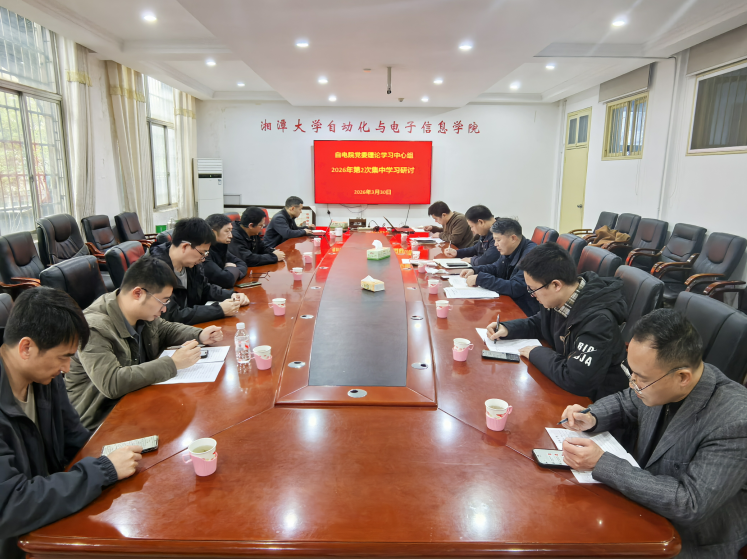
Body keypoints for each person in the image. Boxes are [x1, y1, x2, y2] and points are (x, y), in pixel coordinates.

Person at [560, 309, 747, 558]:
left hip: (687, 539)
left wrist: (601, 463)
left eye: (640, 378)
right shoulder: (661, 381)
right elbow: (627, 401)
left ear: (683, 377)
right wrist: (592, 416)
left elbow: (690, 503)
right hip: (640, 504)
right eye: (632, 373)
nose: (632, 383)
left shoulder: (736, 421)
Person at [0, 288, 142, 557]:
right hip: (18, 542)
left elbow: (76, 440)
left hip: (53, 512)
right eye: (63, 356)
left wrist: (114, 456)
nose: (66, 368)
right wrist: (104, 470)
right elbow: (9, 505)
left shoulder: (44, 378)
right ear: (26, 348)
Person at [65, 256, 224, 430]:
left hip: (137, 400)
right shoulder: (93, 328)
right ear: (138, 293)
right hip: (103, 421)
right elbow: (112, 382)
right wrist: (173, 363)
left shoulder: (139, 311)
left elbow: (164, 329)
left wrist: (200, 335)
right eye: (163, 301)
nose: (164, 308)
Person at [487, 242, 628, 400]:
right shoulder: (562, 297)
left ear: (556, 285)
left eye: (533, 289)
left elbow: (576, 379)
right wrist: (508, 328)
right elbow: (541, 323)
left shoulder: (599, 321)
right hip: (566, 381)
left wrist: (536, 352)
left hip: (597, 400)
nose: (532, 295)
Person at [150, 218, 249, 325]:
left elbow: (204, 289)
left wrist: (232, 295)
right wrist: (219, 310)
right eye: (202, 253)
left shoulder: (191, 264)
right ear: (185, 247)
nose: (203, 258)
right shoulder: (154, 270)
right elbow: (171, 315)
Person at [459, 218, 539, 316]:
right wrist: (474, 270)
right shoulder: (509, 249)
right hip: (511, 302)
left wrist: (481, 279)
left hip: (525, 311)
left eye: (498, 240)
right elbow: (496, 267)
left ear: (513, 238)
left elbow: (516, 287)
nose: (495, 244)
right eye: (494, 240)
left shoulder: (532, 255)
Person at [204, 214, 248, 289]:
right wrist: (231, 269)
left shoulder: (220, 247)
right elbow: (226, 280)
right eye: (227, 231)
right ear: (213, 233)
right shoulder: (203, 253)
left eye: (231, 231)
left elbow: (242, 264)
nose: (231, 236)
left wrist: (231, 272)